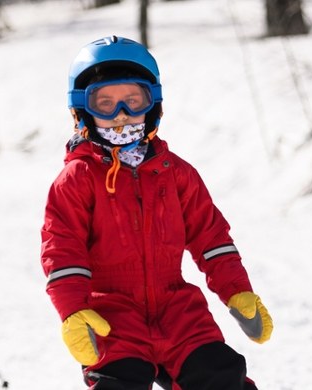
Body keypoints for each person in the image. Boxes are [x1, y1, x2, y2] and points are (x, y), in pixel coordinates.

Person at [40, 36, 274, 390]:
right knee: (120, 382)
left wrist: (236, 290)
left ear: (153, 105)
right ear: (82, 111)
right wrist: (73, 310)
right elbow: (63, 250)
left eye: (133, 101)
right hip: (113, 316)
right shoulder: (77, 179)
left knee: (220, 374)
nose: (120, 114)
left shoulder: (175, 173)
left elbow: (211, 238)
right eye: (105, 103)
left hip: (178, 309)